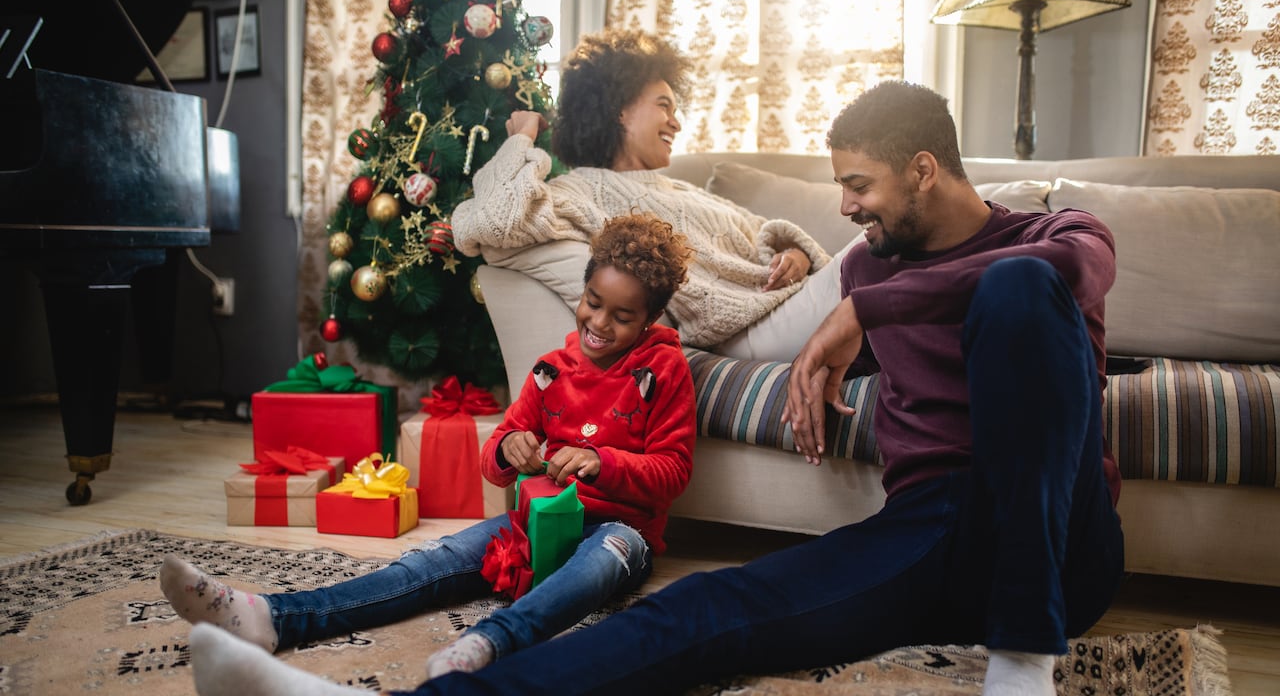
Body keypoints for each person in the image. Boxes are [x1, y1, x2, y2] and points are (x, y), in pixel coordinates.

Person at [185, 82, 1126, 696]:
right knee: (703, 609)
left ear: (924, 170)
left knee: (1015, 289)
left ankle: (1023, 656)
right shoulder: (872, 267)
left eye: (859, 185)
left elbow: (1066, 288)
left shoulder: (1051, 236)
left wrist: (862, 316)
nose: (844, 209)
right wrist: (855, 306)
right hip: (931, 530)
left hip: (1060, 542)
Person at [163, 212, 697, 692]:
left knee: (586, 577)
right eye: (593, 303)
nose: (599, 324)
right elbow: (493, 465)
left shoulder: (665, 369)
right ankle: (271, 617)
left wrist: (604, 462)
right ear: (582, 292)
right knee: (433, 562)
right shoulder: (549, 369)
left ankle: (488, 645)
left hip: (623, 532)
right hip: (536, 520)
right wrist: (510, 447)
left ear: (649, 320)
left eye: (622, 317)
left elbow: (673, 472)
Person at [452, 28, 858, 361]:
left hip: (793, 300)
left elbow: (766, 233)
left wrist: (795, 253)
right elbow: (490, 221)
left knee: (886, 253)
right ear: (618, 109)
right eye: (664, 106)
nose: (676, 122)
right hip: (756, 329)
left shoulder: (681, 188)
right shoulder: (575, 193)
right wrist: (522, 138)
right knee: (880, 251)